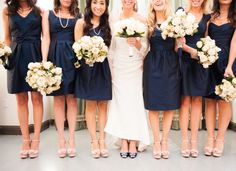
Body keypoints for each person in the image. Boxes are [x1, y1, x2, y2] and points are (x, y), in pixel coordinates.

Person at [105, 0, 150, 159]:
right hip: (119, 65)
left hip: (136, 65)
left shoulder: (143, 19)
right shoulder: (112, 18)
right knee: (121, 102)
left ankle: (134, 140)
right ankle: (124, 139)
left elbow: (146, 49)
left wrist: (137, 43)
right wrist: (110, 68)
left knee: (134, 101)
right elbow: (112, 46)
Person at [2, 0, 44, 159]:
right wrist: (5, 57)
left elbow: (44, 36)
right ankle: (26, 139)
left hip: (35, 54)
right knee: (20, 99)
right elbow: (7, 38)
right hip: (15, 55)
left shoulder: (39, 11)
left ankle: (36, 139)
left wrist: (44, 62)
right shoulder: (6, 11)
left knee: (36, 97)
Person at [41, 0, 80, 158]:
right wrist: (44, 61)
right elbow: (46, 39)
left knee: (71, 99)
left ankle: (71, 139)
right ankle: (61, 140)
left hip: (73, 58)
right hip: (55, 57)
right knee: (58, 99)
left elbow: (80, 40)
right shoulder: (48, 14)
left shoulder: (79, 15)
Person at [74, 0, 112, 159]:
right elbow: (77, 47)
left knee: (103, 105)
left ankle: (102, 140)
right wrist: (88, 56)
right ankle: (93, 141)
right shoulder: (81, 23)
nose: (98, 6)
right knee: (90, 105)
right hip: (88, 68)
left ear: (106, 6)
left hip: (103, 68)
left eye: (102, 3)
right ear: (89, 4)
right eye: (95, 2)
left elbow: (109, 48)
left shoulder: (107, 24)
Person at [144, 0, 180, 159]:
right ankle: (156, 141)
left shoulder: (175, 21)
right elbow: (143, 47)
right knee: (153, 105)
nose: (158, 1)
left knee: (169, 104)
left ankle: (165, 141)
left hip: (171, 64)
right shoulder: (147, 23)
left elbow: (178, 46)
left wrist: (181, 42)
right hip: (152, 65)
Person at [176, 0, 211, 158]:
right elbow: (178, 41)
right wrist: (192, 51)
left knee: (197, 100)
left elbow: (207, 39)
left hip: (200, 62)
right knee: (185, 101)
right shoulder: (181, 13)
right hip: (185, 61)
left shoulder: (207, 17)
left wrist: (205, 53)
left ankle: (194, 141)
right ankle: (184, 140)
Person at [205, 0, 236, 157]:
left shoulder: (235, 17)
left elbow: (235, 43)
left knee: (224, 101)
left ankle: (220, 139)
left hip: (228, 64)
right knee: (210, 100)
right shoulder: (211, 17)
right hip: (210, 62)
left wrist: (230, 65)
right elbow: (204, 40)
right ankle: (210, 138)